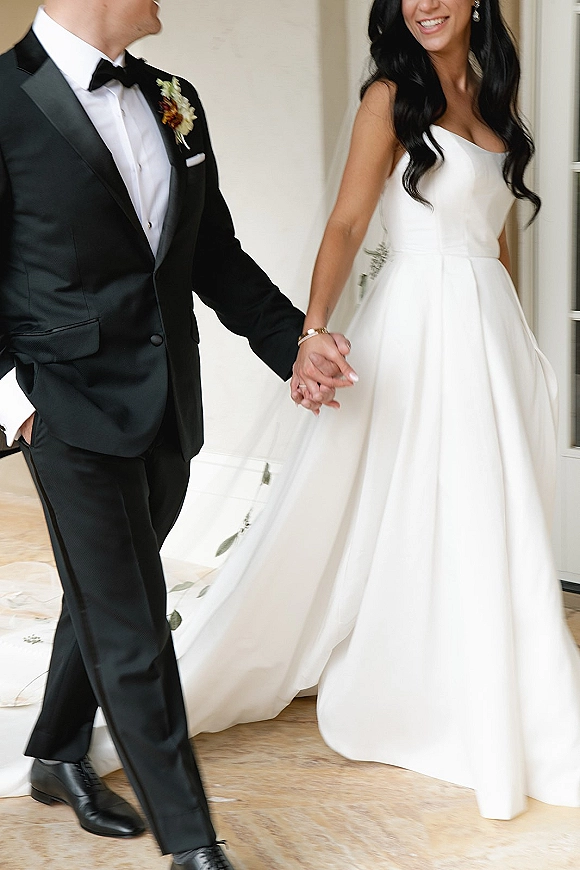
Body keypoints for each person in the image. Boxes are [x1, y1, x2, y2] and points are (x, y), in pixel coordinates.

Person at [86, 0, 579, 823]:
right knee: (418, 498)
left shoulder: (494, 97)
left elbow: (493, 240)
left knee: (490, 507)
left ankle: (489, 666)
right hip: (421, 325)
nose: (423, 5)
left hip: (489, 331)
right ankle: (416, 679)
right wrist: (311, 334)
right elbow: (348, 223)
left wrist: (519, 343)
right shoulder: (392, 96)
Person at [0, 2, 352, 869]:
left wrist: (294, 349)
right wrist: (16, 405)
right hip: (66, 410)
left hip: (165, 410)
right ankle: (195, 846)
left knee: (111, 585)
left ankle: (53, 751)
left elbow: (212, 256)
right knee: (133, 629)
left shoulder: (171, 96)